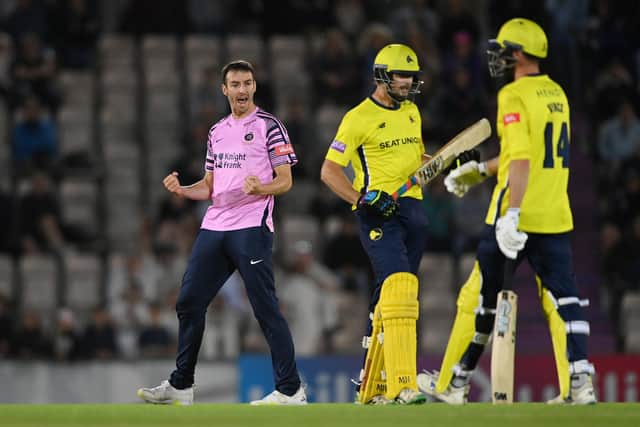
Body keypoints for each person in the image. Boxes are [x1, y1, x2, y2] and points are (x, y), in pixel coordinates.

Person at [416, 18, 597, 405]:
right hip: (554, 211)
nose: (497, 57)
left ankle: (455, 381)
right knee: (562, 300)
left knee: (477, 299)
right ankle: (578, 385)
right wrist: (481, 170)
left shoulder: (513, 95)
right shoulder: (557, 93)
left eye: (502, 50)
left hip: (513, 214)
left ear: (518, 54)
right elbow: (529, 154)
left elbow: (523, 160)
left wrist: (512, 212)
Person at [137, 60, 306, 406]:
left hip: (251, 225)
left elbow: (286, 180)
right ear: (224, 90)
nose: (241, 90)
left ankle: (291, 390)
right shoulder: (217, 131)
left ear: (254, 87)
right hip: (215, 226)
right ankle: (181, 386)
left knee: (264, 307)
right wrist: (184, 190)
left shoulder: (270, 127)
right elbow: (210, 186)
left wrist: (262, 186)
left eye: (247, 83)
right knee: (188, 301)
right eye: (235, 84)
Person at [320, 43, 430, 405]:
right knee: (397, 283)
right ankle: (403, 383)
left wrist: (445, 162)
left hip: (413, 211)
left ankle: (371, 382)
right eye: (402, 75)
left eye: (412, 76)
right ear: (382, 75)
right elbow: (329, 171)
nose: (409, 82)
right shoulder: (358, 118)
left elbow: (418, 161)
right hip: (377, 213)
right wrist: (361, 198)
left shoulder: (413, 112)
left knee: (396, 292)